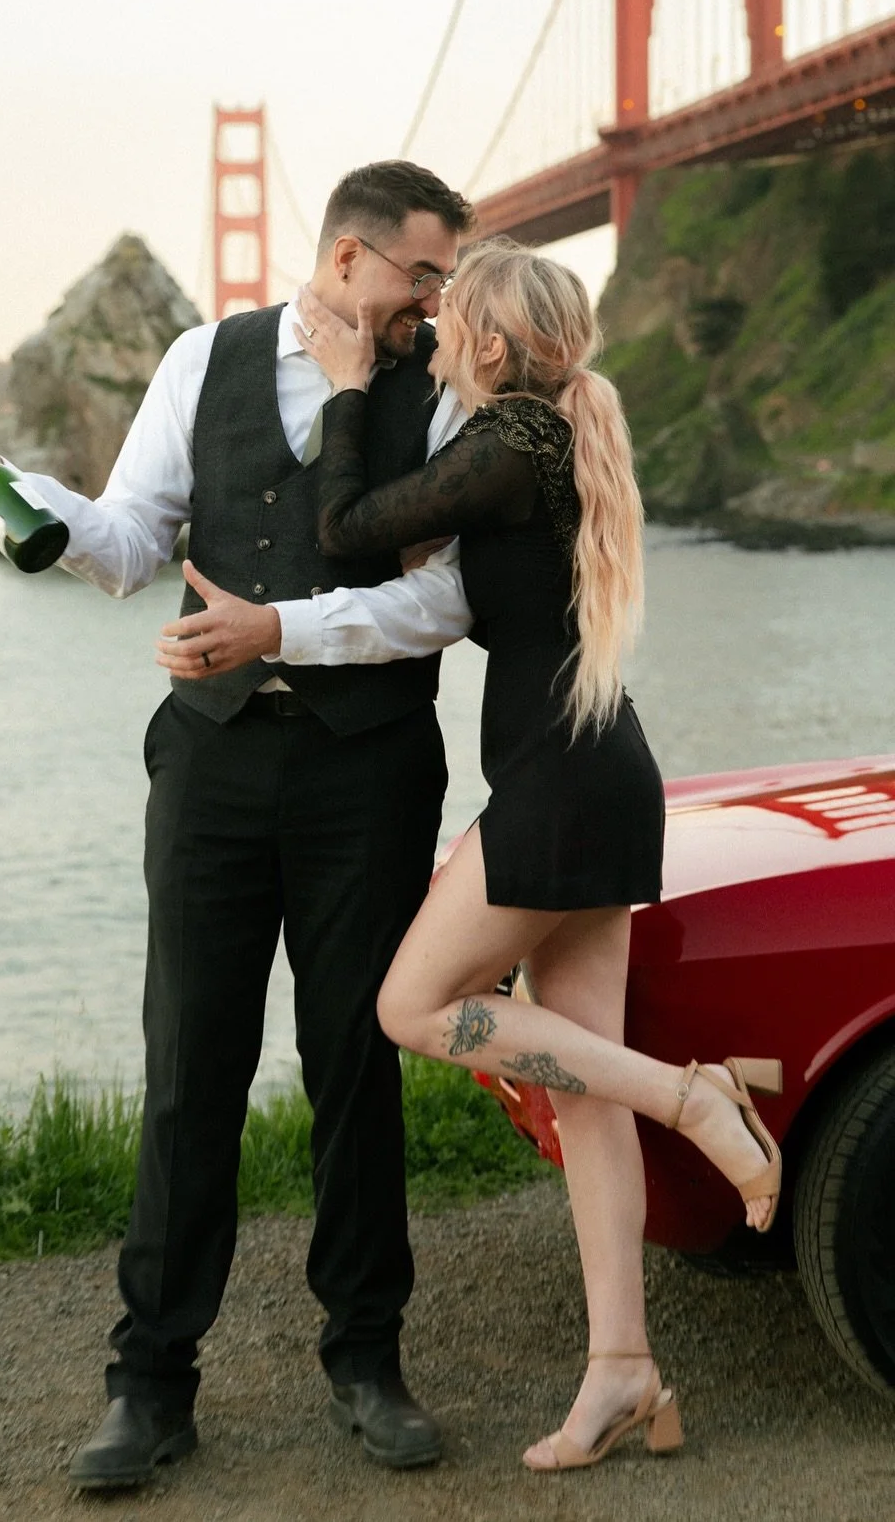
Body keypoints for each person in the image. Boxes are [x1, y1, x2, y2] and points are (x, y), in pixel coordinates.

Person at [0, 161, 476, 1488]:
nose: (435, 300)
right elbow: (118, 540)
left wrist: (285, 630)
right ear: (344, 259)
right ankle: (150, 1379)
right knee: (187, 1069)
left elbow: (443, 603)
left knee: (354, 1065)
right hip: (211, 771)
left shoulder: (442, 390)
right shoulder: (199, 361)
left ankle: (367, 1355)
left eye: (444, 277)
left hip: (369, 770)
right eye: (421, 272)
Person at [250, 240, 780, 1472]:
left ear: (491, 346)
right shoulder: (555, 432)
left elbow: (347, 526)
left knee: (410, 1003)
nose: (429, 342)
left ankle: (694, 1095)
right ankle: (623, 1370)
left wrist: (339, 385)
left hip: (557, 778)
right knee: (578, 1087)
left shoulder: (510, 444)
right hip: (596, 767)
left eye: (448, 330)